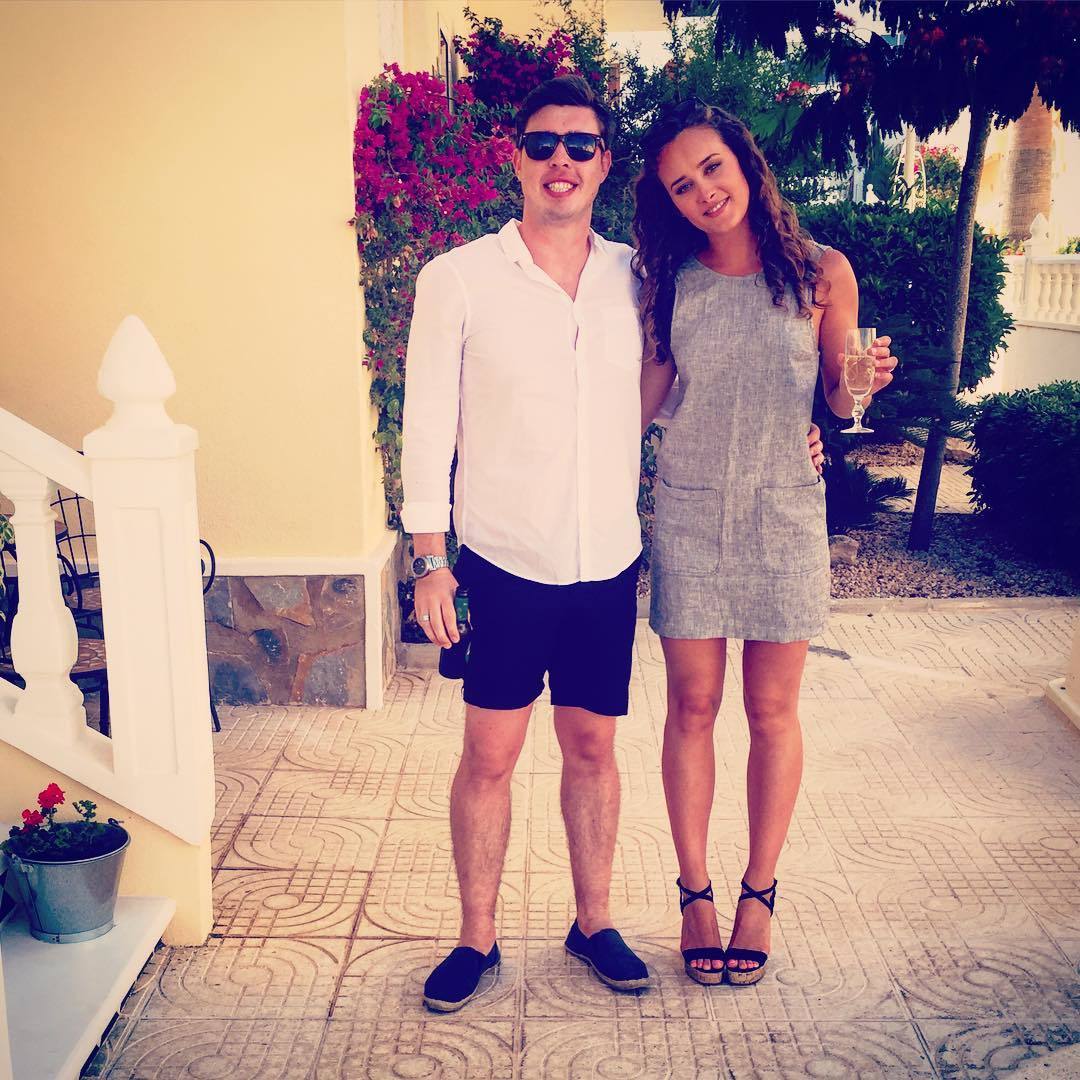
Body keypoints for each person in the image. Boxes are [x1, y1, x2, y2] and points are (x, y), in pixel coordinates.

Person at [401, 77, 825, 1012]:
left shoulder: (641, 278)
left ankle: (592, 923)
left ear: (602, 165)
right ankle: (476, 937)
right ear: (517, 158)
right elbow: (426, 424)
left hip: (606, 563)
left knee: (593, 748)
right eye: (543, 143)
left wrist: (799, 423)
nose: (561, 160)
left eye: (581, 146)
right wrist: (429, 558)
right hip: (504, 560)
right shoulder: (458, 277)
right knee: (490, 756)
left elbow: (697, 375)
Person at [633, 99, 897, 987]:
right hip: (690, 512)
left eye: (711, 167)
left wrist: (860, 386)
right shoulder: (670, 281)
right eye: (681, 185)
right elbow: (643, 400)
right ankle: (694, 893)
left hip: (785, 512)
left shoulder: (823, 272)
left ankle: (759, 891)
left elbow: (840, 399)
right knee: (692, 706)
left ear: (743, 161)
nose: (703, 191)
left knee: (773, 712)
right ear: (669, 202)